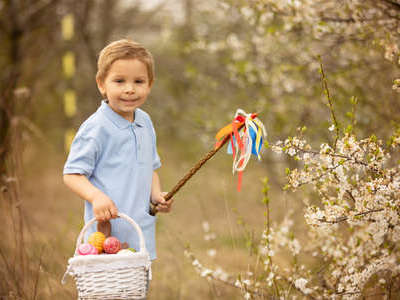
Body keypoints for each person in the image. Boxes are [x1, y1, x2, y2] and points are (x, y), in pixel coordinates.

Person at [63, 39, 173, 261]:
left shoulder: (145, 122)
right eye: (119, 81)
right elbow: (72, 174)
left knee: (136, 292)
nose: (130, 89)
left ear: (150, 84)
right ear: (102, 84)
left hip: (140, 233)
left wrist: (157, 195)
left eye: (139, 81)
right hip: (106, 241)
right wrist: (96, 197)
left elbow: (150, 167)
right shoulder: (96, 127)